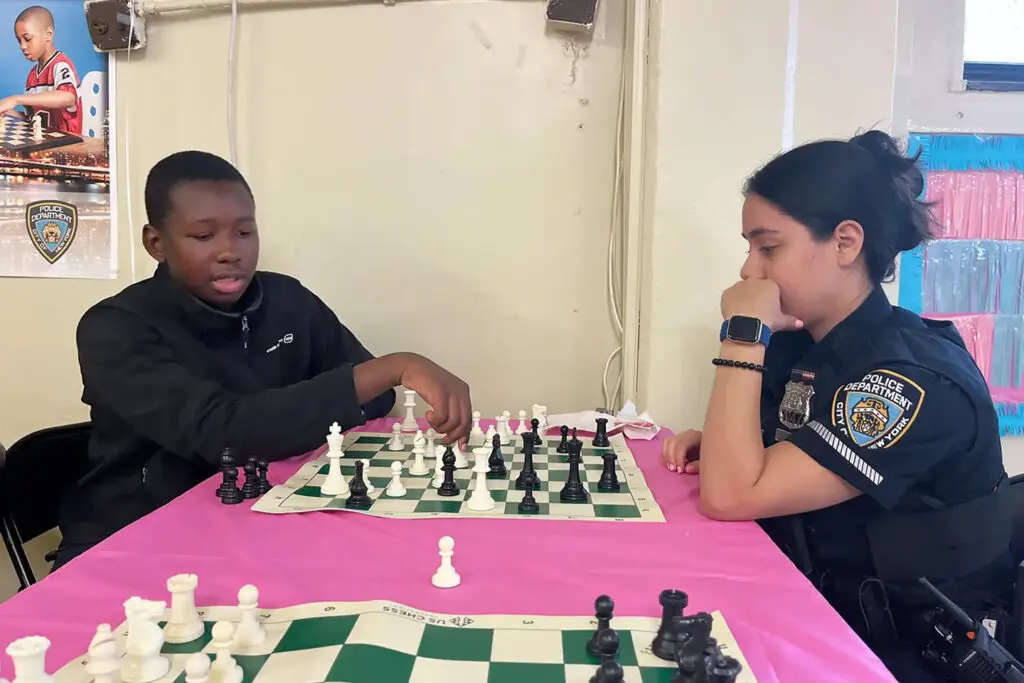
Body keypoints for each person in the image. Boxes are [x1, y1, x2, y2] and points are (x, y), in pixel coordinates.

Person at [661, 131, 1015, 681]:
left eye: (768, 247)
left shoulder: (906, 380)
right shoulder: (806, 346)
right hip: (812, 608)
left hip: (903, 653)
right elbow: (761, 465)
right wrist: (727, 444)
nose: (748, 271)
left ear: (846, 243)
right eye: (749, 248)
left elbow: (730, 496)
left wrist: (742, 335)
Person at [54, 150, 472, 568]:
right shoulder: (115, 328)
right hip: (135, 539)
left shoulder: (287, 300)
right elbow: (225, 433)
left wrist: (302, 411)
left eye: (244, 233)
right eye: (203, 236)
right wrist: (395, 365)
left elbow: (374, 400)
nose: (229, 251)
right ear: (156, 242)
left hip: (258, 520)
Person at [0, 5, 83, 134]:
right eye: (19, 40)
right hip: (44, 145)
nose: (22, 46)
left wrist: (16, 99)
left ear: (48, 35)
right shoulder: (32, 76)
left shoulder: (60, 65)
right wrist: (8, 112)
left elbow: (68, 97)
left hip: (67, 145)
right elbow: (33, 118)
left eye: (27, 39)